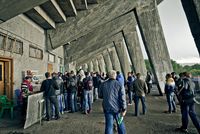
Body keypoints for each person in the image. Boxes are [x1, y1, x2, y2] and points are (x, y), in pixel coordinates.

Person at [99, 70, 127, 134]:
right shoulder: (119, 84)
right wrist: (124, 108)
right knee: (120, 124)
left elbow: (100, 95)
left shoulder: (103, 84)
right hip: (118, 109)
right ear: (115, 75)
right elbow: (122, 98)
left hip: (107, 107)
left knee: (109, 125)